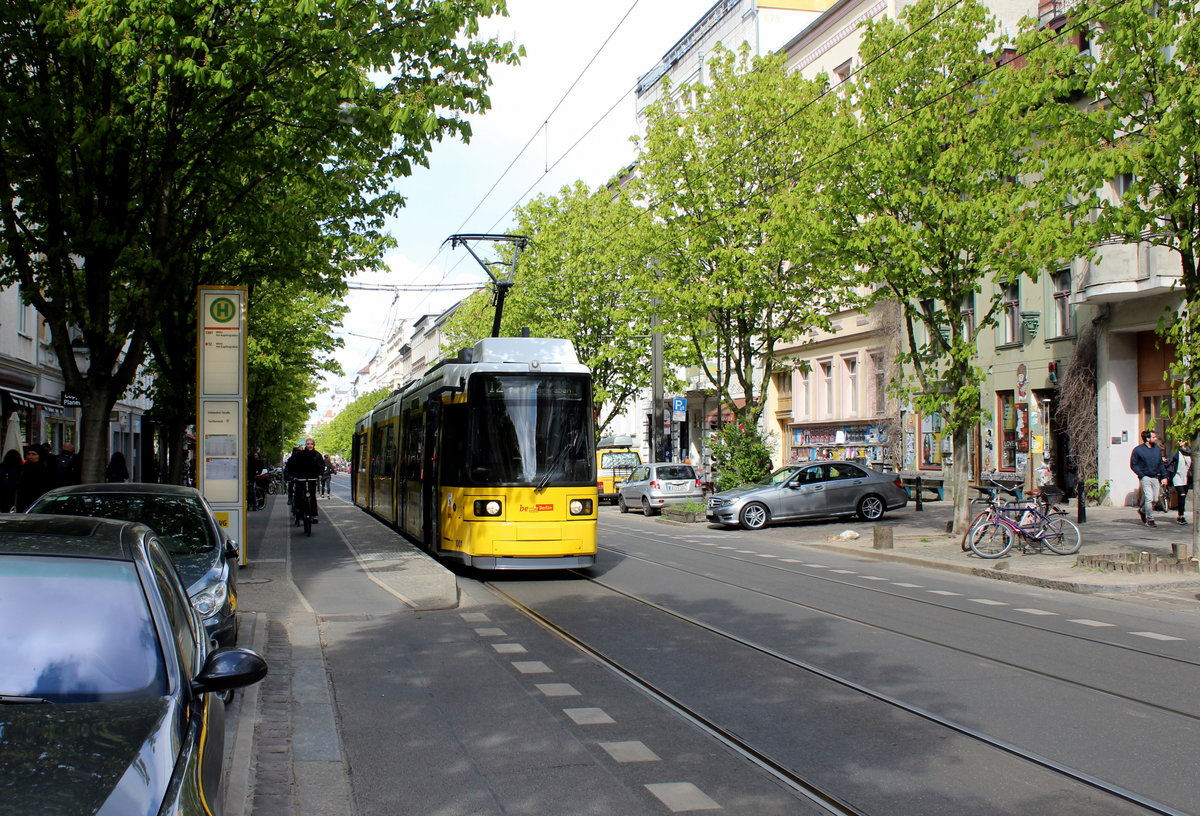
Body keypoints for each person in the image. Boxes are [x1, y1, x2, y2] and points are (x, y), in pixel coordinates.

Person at [1129, 429, 1168, 527]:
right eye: (1154, 437)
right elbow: (1133, 464)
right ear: (1147, 439)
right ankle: (1150, 519)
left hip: (1155, 477)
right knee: (1149, 498)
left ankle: (1142, 510)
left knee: (1155, 499)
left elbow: (1160, 464)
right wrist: (1141, 475)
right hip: (1145, 477)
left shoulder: (1157, 449)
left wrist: (1164, 477)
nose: (1156, 439)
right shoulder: (1138, 450)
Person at [286, 438, 324, 522]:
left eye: (311, 444)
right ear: (305, 445)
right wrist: (294, 475)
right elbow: (294, 465)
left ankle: (314, 515)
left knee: (312, 496)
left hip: (312, 478)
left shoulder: (317, 455)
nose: (309, 445)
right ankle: (299, 511)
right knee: (299, 494)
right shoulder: (300, 454)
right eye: (308, 444)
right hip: (301, 478)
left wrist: (320, 474)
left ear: (314, 445)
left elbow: (321, 465)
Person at [15, 446, 55, 511]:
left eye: (33, 454)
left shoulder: (44, 469)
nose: (30, 457)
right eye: (28, 454)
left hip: (38, 501)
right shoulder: (24, 468)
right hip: (23, 501)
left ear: (39, 455)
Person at [1167, 441, 1193, 525]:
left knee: (1183, 496)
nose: (1179, 442)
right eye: (1178, 440)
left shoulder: (1190, 451)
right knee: (1182, 494)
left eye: (1181, 440)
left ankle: (1180, 515)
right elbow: (1169, 462)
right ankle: (1181, 516)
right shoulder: (1175, 451)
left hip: (1186, 477)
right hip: (1177, 476)